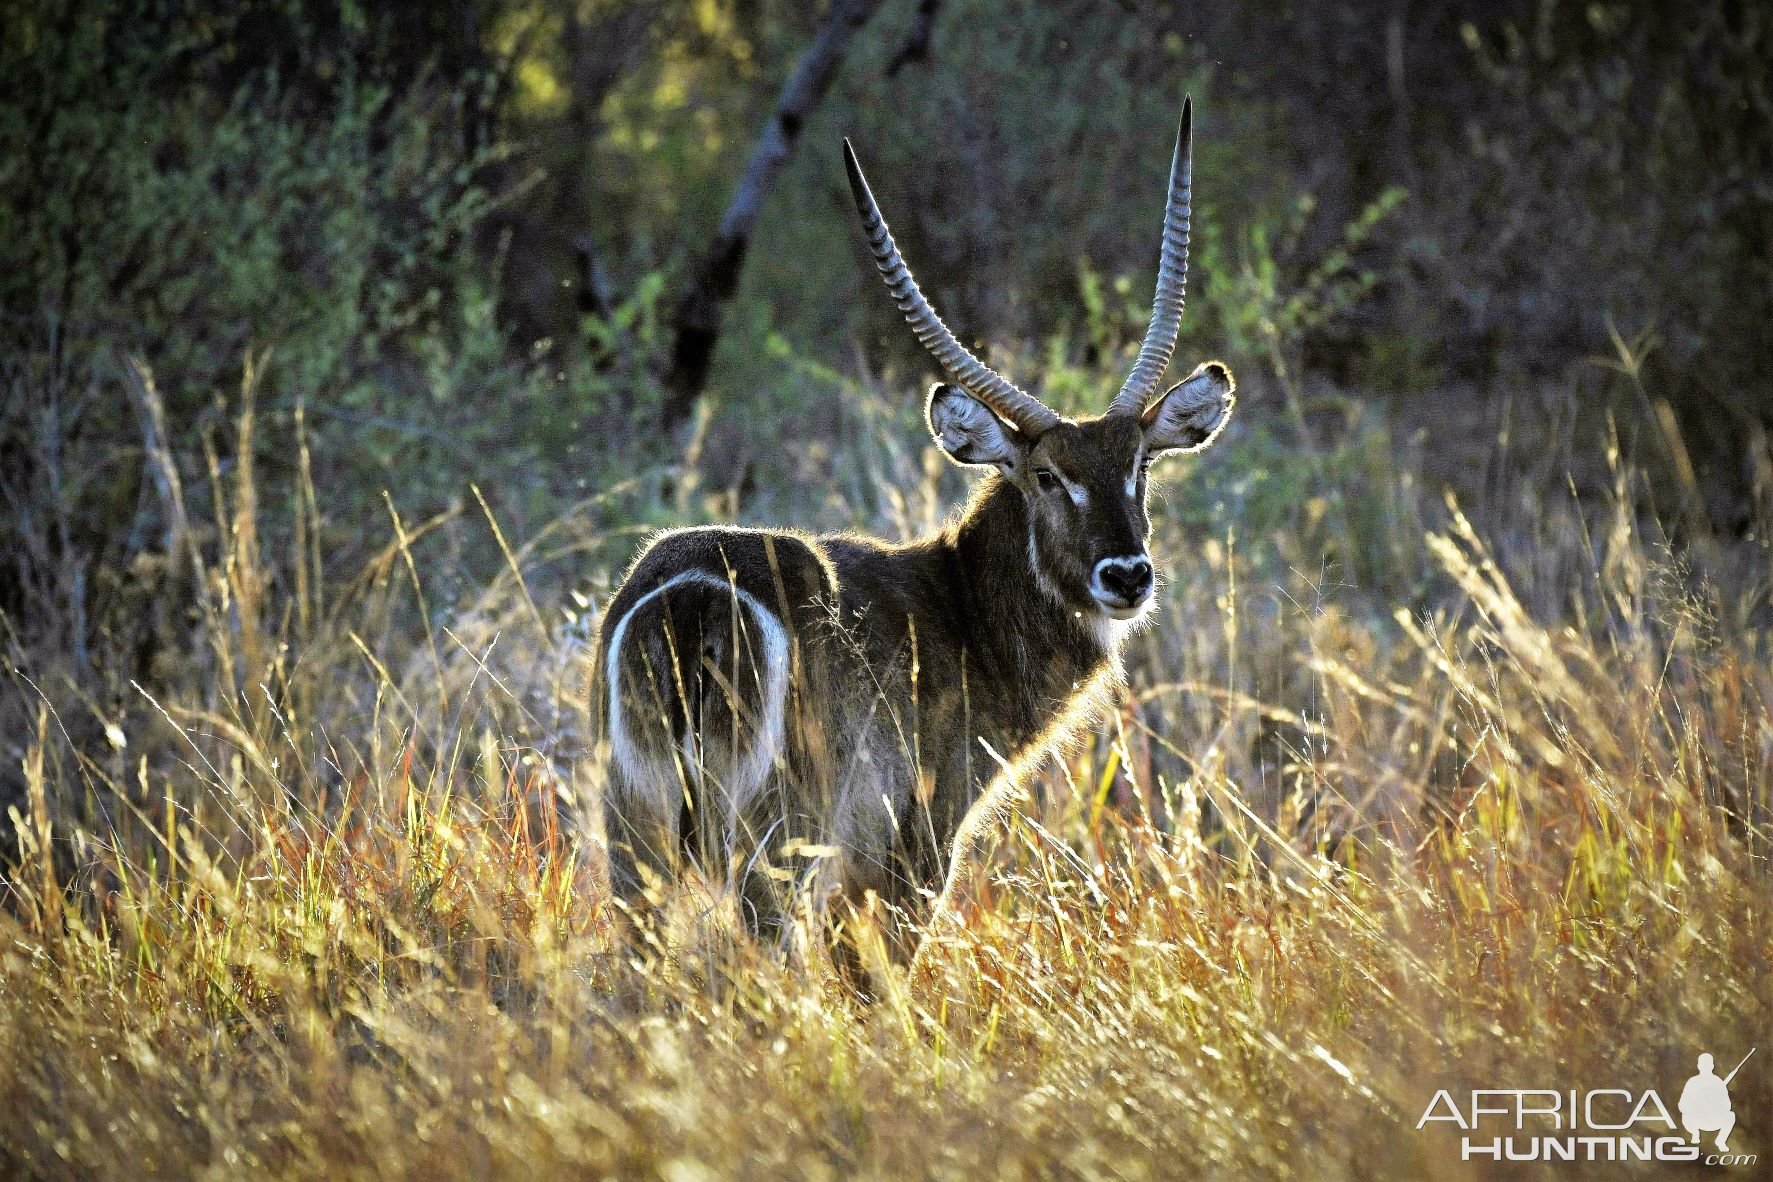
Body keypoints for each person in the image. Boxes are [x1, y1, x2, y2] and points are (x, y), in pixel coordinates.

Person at [1680, 1053, 1735, 1152]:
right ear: (1698, 1066)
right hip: (1696, 1121)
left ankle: (1721, 1141)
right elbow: (1682, 1105)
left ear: (1712, 1066)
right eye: (1703, 1064)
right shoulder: (1692, 1082)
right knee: (1685, 1116)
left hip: (1713, 1121)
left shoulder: (1718, 1082)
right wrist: (1696, 1107)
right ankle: (1695, 1133)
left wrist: (1715, 1105)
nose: (1705, 1067)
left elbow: (1727, 1106)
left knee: (1731, 1116)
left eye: (1707, 1065)